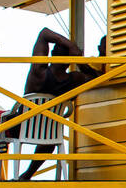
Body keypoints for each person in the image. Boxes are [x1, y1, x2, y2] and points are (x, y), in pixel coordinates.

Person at [14, 29, 107, 180]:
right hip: (48, 133)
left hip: (22, 126)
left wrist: (69, 44)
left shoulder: (38, 73)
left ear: (51, 55)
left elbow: (43, 33)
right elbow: (98, 77)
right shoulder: (74, 80)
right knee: (52, 131)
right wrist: (79, 60)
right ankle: (27, 174)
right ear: (69, 60)